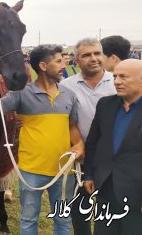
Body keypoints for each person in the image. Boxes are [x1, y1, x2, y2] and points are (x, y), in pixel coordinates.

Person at [0, 44, 84, 235]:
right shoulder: (21, 93)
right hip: (31, 171)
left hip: (64, 172)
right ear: (43, 66)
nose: (64, 63)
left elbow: (72, 127)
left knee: (63, 220)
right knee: (29, 219)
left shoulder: (69, 95)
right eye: (58, 60)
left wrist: (79, 146)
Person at [60, 38, 117, 235]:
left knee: (110, 211)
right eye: (86, 55)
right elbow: (61, 120)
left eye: (97, 53)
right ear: (76, 60)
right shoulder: (65, 86)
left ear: (103, 56)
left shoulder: (118, 81)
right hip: (81, 159)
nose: (93, 58)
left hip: (113, 160)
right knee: (80, 210)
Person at [84, 59, 142, 235]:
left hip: (136, 194)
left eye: (123, 77)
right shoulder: (105, 104)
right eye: (115, 76)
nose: (116, 81)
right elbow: (93, 143)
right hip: (105, 186)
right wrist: (89, 174)